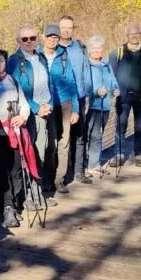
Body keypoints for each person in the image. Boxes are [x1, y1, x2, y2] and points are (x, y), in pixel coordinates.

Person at [7, 25, 59, 207]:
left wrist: (49, 104)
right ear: (18, 42)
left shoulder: (41, 57)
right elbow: (18, 89)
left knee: (43, 152)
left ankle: (38, 194)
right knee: (30, 154)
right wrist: (36, 108)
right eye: (25, 39)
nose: (29, 42)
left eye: (32, 38)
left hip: (46, 112)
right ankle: (29, 197)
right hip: (28, 114)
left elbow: (49, 84)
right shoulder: (14, 61)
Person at [0, 48, 30, 229]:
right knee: (0, 172)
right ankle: (6, 208)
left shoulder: (12, 81)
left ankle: (16, 204)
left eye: (0, 60)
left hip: (14, 133)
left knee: (15, 170)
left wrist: (22, 117)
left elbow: (24, 105)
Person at [108, 22, 141, 169]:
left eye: (137, 34)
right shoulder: (117, 53)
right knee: (120, 125)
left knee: (140, 127)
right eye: (131, 34)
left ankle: (139, 155)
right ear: (127, 36)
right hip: (123, 97)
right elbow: (110, 74)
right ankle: (119, 154)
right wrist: (113, 91)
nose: (134, 36)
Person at [40, 25, 79, 194]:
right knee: (49, 143)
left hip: (64, 102)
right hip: (45, 104)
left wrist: (76, 108)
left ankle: (59, 179)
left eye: (55, 37)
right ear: (44, 37)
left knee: (64, 142)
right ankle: (46, 178)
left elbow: (72, 82)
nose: (52, 40)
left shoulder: (63, 56)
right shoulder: (37, 56)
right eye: (50, 37)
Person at [78, 35, 119, 180]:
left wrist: (115, 89)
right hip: (90, 105)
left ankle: (94, 163)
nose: (96, 51)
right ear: (89, 50)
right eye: (93, 48)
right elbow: (84, 83)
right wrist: (95, 92)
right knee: (86, 134)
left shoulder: (106, 65)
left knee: (98, 135)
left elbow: (113, 81)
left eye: (99, 48)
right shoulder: (86, 65)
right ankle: (82, 164)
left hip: (104, 105)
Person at [58, 16, 88, 183]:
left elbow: (85, 71)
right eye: (63, 27)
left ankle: (78, 171)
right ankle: (60, 175)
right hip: (61, 99)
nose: (66, 30)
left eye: (69, 27)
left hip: (80, 96)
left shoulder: (80, 48)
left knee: (79, 136)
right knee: (61, 137)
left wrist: (88, 95)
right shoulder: (52, 47)